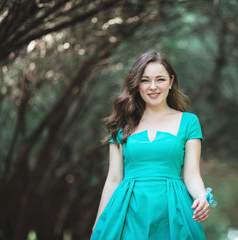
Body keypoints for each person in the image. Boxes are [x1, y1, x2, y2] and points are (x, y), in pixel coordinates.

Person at [91, 50, 216, 240]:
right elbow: (114, 179)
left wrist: (201, 197)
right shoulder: (121, 125)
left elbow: (191, 175)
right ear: (137, 85)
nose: (153, 87)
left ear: (171, 82)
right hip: (128, 211)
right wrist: (98, 224)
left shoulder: (189, 122)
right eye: (145, 80)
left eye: (160, 79)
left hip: (173, 211)